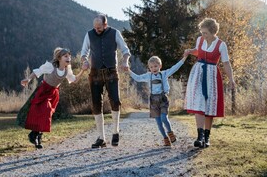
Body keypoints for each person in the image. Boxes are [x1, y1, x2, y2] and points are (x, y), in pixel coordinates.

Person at [17, 47, 85, 149]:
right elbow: (37, 72)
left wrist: (83, 70)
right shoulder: (50, 66)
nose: (69, 58)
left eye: (69, 56)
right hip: (43, 90)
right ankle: (34, 134)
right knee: (45, 109)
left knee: (47, 114)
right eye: (65, 56)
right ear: (59, 58)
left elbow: (74, 80)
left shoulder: (67, 69)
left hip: (53, 93)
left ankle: (37, 136)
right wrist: (28, 79)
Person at [81, 13, 130, 148]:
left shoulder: (115, 33)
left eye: (99, 27)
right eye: (95, 27)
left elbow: (125, 50)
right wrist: (84, 61)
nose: (97, 30)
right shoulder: (89, 34)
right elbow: (83, 53)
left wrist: (125, 61)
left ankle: (115, 132)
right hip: (95, 73)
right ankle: (101, 138)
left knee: (115, 101)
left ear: (105, 24)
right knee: (96, 104)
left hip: (111, 71)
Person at [184, 18, 235, 148]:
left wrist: (231, 79)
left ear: (213, 32)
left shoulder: (221, 45)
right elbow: (198, 51)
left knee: (209, 105)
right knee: (198, 102)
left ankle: (206, 137)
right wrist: (190, 51)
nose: (203, 35)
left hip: (212, 75)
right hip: (198, 72)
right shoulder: (200, 40)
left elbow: (226, 63)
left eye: (205, 32)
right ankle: (199, 136)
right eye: (202, 32)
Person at [128, 55, 187, 146]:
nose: (153, 68)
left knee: (164, 118)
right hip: (153, 100)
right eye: (151, 67)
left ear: (160, 66)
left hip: (163, 98)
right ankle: (165, 138)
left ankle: (170, 133)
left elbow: (175, 68)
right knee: (158, 122)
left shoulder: (164, 74)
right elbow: (138, 78)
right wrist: (128, 70)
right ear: (149, 68)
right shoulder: (148, 76)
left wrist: (184, 58)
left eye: (155, 66)